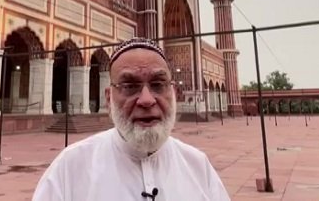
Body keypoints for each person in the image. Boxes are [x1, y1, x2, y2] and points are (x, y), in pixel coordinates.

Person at [33, 37, 231, 201]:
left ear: (174, 92)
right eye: (129, 86)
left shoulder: (197, 166)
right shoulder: (72, 167)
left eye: (158, 84)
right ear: (109, 98)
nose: (146, 100)